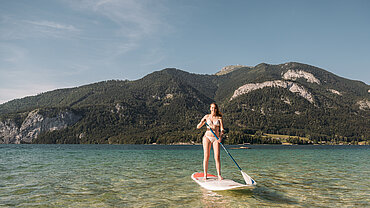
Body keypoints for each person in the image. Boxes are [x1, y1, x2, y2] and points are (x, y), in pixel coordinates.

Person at [197, 102, 225, 181]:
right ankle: (205, 175)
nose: (213, 109)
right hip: (207, 137)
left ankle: (219, 175)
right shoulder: (206, 117)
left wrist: (221, 137)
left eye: (215, 108)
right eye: (212, 108)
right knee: (206, 156)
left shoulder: (219, 118)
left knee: (217, 157)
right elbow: (198, 127)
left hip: (216, 138)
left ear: (216, 109)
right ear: (210, 108)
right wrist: (202, 121)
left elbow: (222, 130)